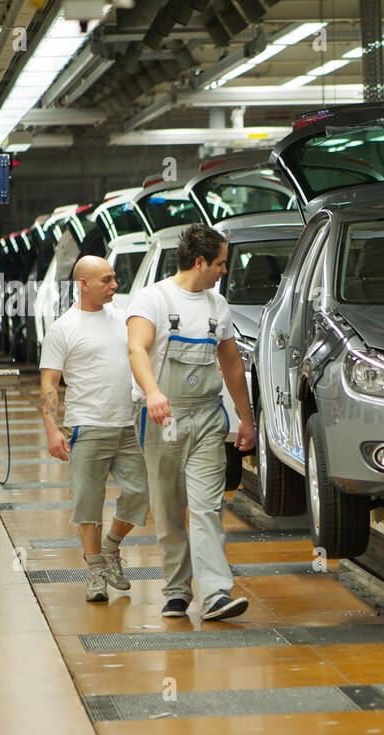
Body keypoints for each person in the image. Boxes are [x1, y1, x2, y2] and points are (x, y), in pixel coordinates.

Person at [127, 224, 255, 621]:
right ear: (199, 262)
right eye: (219, 263)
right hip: (161, 417)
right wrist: (153, 393)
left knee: (207, 508)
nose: (223, 270)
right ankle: (178, 591)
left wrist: (246, 420)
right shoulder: (152, 299)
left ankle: (215, 594)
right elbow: (136, 349)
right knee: (168, 509)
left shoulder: (219, 306)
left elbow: (231, 366)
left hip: (206, 417)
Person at [39, 255, 150, 602]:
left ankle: (111, 548)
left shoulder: (125, 320)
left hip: (126, 424)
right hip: (86, 428)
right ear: (83, 284)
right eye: (106, 280)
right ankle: (95, 571)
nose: (114, 285)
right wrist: (52, 430)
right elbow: (49, 384)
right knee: (88, 505)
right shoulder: (63, 328)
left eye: (114, 278)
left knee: (140, 494)